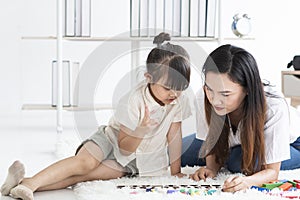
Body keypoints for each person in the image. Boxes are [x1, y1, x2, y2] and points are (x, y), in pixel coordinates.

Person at [1, 32, 191, 200]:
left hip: (132, 161)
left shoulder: (178, 101)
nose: (174, 94)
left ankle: (22, 184)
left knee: (86, 175)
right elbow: (124, 147)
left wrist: (176, 172)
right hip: (110, 141)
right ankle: (30, 185)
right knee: (85, 163)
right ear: (149, 78)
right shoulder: (133, 101)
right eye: (167, 88)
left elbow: (174, 136)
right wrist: (141, 130)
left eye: (181, 88)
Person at [181, 44, 300, 192]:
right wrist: (211, 169)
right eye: (210, 89)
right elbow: (211, 141)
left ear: (248, 89)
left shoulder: (273, 106)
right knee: (178, 153)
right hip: (233, 141)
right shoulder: (203, 97)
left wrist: (248, 181)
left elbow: (272, 172)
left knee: (238, 162)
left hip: (292, 143)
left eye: (225, 94)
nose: (215, 100)